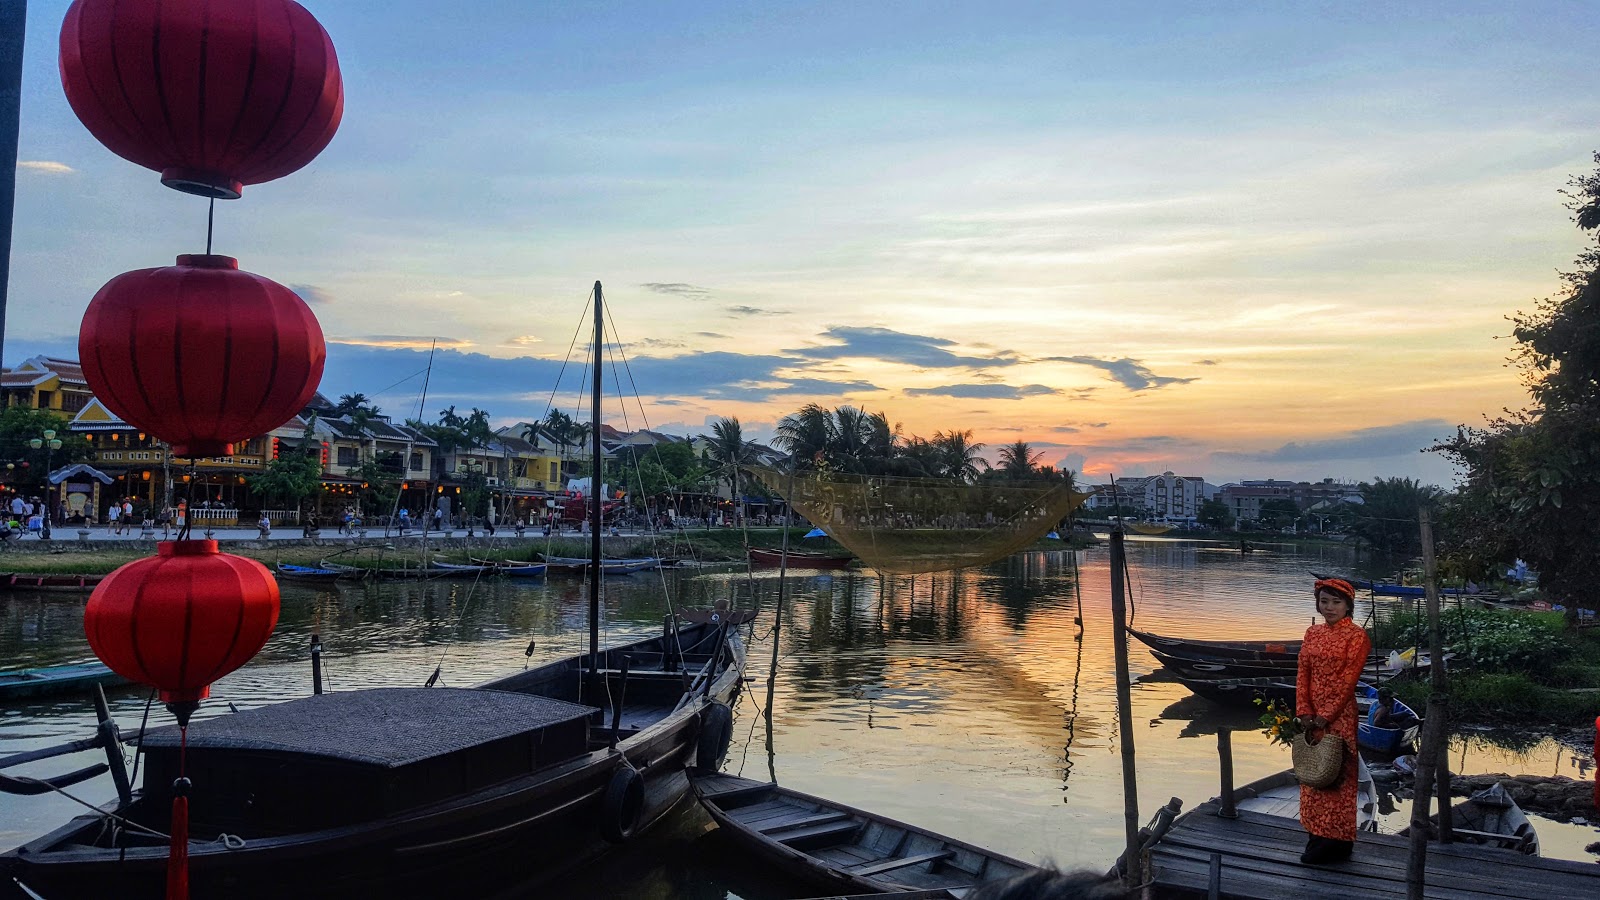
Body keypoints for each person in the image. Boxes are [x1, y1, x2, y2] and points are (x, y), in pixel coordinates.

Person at [1295, 577, 1372, 865]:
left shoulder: (1356, 637)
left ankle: (1337, 842)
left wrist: (1324, 716)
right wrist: (1304, 710)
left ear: (1348, 605)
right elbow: (1303, 673)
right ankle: (1315, 835)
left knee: (1337, 776)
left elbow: (1347, 682)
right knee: (1314, 774)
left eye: (1336, 602)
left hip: (1339, 717)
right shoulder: (1312, 633)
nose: (1329, 607)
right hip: (1310, 717)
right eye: (1324, 601)